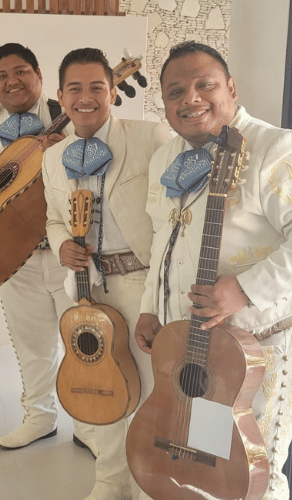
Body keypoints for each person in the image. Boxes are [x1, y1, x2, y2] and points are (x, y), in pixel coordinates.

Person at [135, 41, 292, 500]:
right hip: (196, 350)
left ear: (231, 88)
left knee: (257, 473)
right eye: (175, 91)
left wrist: (244, 289)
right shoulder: (167, 159)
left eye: (205, 85)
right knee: (209, 464)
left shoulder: (274, 149)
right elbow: (161, 240)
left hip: (258, 348)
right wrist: (151, 307)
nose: (190, 99)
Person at [0, 42, 97, 454]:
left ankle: (89, 426)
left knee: (82, 343)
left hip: (69, 253)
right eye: (2, 76)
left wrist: (69, 150)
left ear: (40, 76)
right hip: (13, 256)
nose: (12, 81)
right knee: (31, 346)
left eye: (21, 71)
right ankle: (39, 418)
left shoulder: (70, 117)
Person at [42, 48, 172, 500]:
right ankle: (109, 481)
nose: (85, 97)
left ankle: (144, 488)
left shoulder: (149, 136)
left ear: (113, 92)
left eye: (97, 87)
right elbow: (52, 218)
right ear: (60, 97)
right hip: (87, 288)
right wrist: (61, 244)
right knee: (102, 391)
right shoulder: (51, 158)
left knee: (148, 393)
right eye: (74, 88)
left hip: (141, 284)